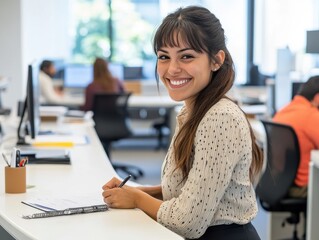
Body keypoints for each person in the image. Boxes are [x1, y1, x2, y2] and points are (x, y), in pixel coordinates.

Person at [101, 6, 263, 240]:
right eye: (164, 57)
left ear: (216, 60)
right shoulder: (192, 111)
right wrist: (136, 191)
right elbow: (192, 189)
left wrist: (137, 199)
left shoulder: (219, 117)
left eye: (186, 56)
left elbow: (188, 222)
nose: (172, 69)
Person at [273, 75, 319, 198]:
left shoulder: (283, 110)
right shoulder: (311, 115)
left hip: (281, 181)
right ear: (317, 98)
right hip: (303, 185)